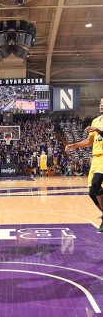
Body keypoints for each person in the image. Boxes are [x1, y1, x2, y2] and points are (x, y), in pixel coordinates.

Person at [65, 98, 103, 232]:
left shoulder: (96, 126)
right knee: (92, 192)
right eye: (100, 103)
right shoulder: (96, 121)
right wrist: (73, 145)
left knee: (96, 183)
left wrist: (97, 130)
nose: (101, 105)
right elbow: (89, 141)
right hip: (96, 159)